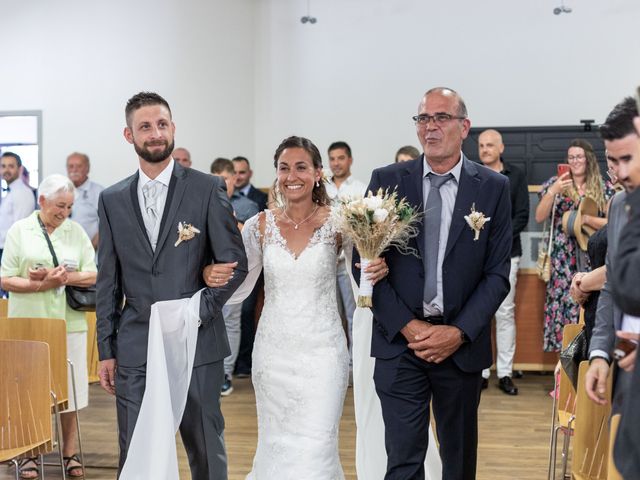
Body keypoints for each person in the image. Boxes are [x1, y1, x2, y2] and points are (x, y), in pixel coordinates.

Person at [352, 87, 512, 480]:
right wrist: (409, 326)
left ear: (464, 127)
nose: (431, 127)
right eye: (423, 119)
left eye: (441, 118)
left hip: (459, 349)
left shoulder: (492, 188)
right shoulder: (387, 181)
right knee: (403, 460)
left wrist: (457, 333)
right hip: (399, 344)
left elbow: (497, 274)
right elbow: (365, 259)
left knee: (457, 462)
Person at [205, 135, 388, 478]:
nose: (292, 175)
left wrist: (376, 267)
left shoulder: (341, 223)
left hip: (324, 353)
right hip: (273, 354)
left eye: (301, 167)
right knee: (276, 444)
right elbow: (237, 285)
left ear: (319, 173)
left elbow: (361, 279)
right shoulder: (261, 225)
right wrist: (205, 276)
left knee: (318, 445)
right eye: (284, 168)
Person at [96, 91, 247, 478]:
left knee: (205, 448)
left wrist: (198, 311)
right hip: (136, 345)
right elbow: (108, 282)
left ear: (173, 128)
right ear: (129, 135)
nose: (156, 133)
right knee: (135, 450)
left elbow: (236, 264)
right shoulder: (112, 199)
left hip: (197, 342)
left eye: (162, 124)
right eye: (145, 126)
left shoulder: (206, 187)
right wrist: (106, 350)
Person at [1, 174, 97, 479]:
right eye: (59, 206)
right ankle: (28, 453)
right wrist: (38, 283)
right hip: (28, 324)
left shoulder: (75, 231)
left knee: (69, 392)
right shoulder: (20, 230)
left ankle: (69, 453)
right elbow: (5, 278)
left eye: (68, 207)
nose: (64, 213)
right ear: (41, 201)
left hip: (69, 323)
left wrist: (64, 278)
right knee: (28, 390)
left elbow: (93, 273)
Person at [535, 139, 615, 352]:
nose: (575, 161)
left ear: (588, 159)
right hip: (562, 258)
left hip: (591, 254)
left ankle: (586, 357)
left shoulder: (602, 187)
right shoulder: (556, 183)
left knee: (585, 302)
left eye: (579, 156)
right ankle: (563, 371)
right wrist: (553, 191)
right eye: (571, 157)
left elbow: (612, 223)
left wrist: (586, 220)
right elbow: (539, 216)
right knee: (562, 307)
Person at [478, 129, 529, 395]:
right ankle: (482, 372)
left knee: (504, 313)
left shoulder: (516, 176)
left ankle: (505, 373)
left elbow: (522, 216)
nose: (485, 149)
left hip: (508, 253)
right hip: (476, 256)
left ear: (501, 148)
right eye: (481, 145)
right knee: (480, 312)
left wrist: (496, 240)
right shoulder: (472, 174)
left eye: (490, 145)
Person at [210, 156, 259, 395]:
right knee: (209, 322)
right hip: (209, 271)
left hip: (238, 270)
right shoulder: (204, 201)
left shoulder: (247, 206)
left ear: (234, 179)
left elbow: (251, 239)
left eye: (226, 179)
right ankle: (211, 371)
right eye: (217, 179)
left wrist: (230, 219)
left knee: (231, 322)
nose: (222, 183)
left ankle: (225, 374)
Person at [325, 141, 367, 363]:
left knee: (353, 314)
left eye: (340, 158)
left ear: (349, 160)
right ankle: (334, 362)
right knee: (329, 315)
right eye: (332, 158)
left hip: (348, 261)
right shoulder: (322, 189)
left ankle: (353, 364)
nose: (336, 163)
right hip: (325, 262)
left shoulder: (359, 188)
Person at [231, 155, 268, 378]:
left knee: (246, 313)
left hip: (253, 262)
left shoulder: (256, 201)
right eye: (233, 172)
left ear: (249, 173)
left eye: (241, 172)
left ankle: (244, 362)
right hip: (229, 266)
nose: (237, 177)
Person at [66, 152, 104, 249]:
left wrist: (89, 250)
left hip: (90, 253)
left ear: (88, 168)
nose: (74, 170)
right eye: (71, 166)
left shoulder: (99, 192)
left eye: (79, 166)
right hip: (63, 254)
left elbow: (105, 227)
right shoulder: (60, 192)